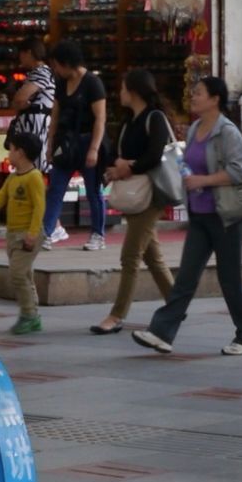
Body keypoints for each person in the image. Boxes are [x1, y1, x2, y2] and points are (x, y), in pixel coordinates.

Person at [130, 76, 242, 356]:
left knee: (230, 279)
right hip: (200, 215)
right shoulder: (194, 130)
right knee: (186, 277)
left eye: (199, 93)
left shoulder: (227, 132)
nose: (194, 96)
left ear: (215, 99)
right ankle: (162, 332)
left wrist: (203, 180)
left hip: (226, 218)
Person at [94, 68, 175, 335]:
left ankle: (117, 315)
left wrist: (126, 167)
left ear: (135, 91)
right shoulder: (130, 121)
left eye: (124, 88)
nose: (120, 93)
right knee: (153, 257)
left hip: (151, 195)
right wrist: (117, 165)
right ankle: (177, 304)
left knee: (130, 256)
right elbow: (120, 153)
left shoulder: (156, 118)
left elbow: (153, 156)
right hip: (135, 194)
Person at [0, 131, 45, 334]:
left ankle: (29, 314)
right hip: (13, 234)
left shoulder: (34, 177)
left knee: (18, 274)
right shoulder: (13, 178)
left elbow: (40, 208)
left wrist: (33, 233)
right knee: (24, 274)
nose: (8, 154)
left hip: (27, 235)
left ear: (20, 152)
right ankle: (33, 312)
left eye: (10, 149)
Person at [42, 40, 107, 251]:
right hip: (66, 141)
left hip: (87, 139)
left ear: (67, 63)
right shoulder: (61, 83)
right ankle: (46, 232)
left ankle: (98, 233)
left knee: (93, 190)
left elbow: (100, 118)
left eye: (57, 65)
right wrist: (50, 144)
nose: (55, 70)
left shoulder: (92, 83)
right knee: (56, 188)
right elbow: (55, 114)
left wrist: (94, 148)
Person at [11, 38, 53, 173]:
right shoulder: (37, 73)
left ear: (28, 53)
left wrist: (21, 103)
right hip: (33, 124)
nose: (20, 59)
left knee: (34, 165)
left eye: (21, 55)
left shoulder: (41, 72)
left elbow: (19, 98)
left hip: (36, 125)